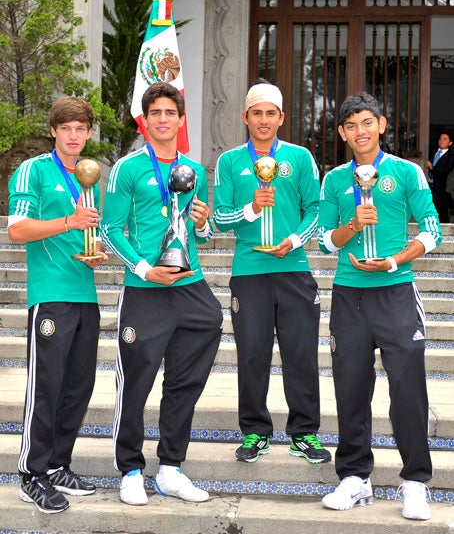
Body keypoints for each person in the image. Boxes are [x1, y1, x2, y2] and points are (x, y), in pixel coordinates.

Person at [318, 92, 442, 521]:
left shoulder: (407, 172)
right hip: (349, 295)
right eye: (351, 125)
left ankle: (415, 482)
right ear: (342, 133)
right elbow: (324, 240)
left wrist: (394, 261)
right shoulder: (334, 180)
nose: (361, 131)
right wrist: (352, 224)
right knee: (351, 389)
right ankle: (355, 477)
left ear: (382, 125)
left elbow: (432, 229)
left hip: (396, 293)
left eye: (367, 122)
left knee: (408, 389)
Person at [100, 82, 223, 506]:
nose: (164, 119)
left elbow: (202, 234)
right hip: (144, 289)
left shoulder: (195, 170)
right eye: (156, 113)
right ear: (145, 120)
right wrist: (144, 269)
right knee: (135, 383)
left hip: (189, 286)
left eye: (171, 112)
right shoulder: (128, 168)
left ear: (181, 119)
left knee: (185, 381)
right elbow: (110, 230)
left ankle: (170, 467)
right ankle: (131, 470)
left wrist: (203, 222)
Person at [213, 80, 331, 465]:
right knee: (252, 354)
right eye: (256, 113)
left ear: (281, 118)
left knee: (301, 354)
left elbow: (316, 211)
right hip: (249, 272)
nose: (263, 120)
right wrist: (250, 208)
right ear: (245, 117)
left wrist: (294, 241)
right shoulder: (230, 161)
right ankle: (255, 432)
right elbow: (219, 218)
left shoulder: (299, 158)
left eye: (270, 113)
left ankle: (304, 433)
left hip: (294, 270)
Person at [7, 96, 108, 514]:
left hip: (85, 293)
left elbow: (88, 233)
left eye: (80, 128)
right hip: (50, 295)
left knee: (78, 387)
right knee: (46, 387)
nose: (73, 135)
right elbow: (17, 229)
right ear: (53, 131)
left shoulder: (89, 175)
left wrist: (95, 250)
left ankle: (57, 464)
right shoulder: (34, 170)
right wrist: (70, 221)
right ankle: (32, 474)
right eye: (65, 128)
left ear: (88, 133)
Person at [426, 132, 454, 223]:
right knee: (429, 214)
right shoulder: (433, 152)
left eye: (445, 139)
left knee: (442, 216)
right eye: (440, 138)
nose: (441, 141)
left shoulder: (450, 157)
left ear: (450, 143)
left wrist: (432, 168)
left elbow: (444, 171)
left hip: (441, 191)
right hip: (429, 187)